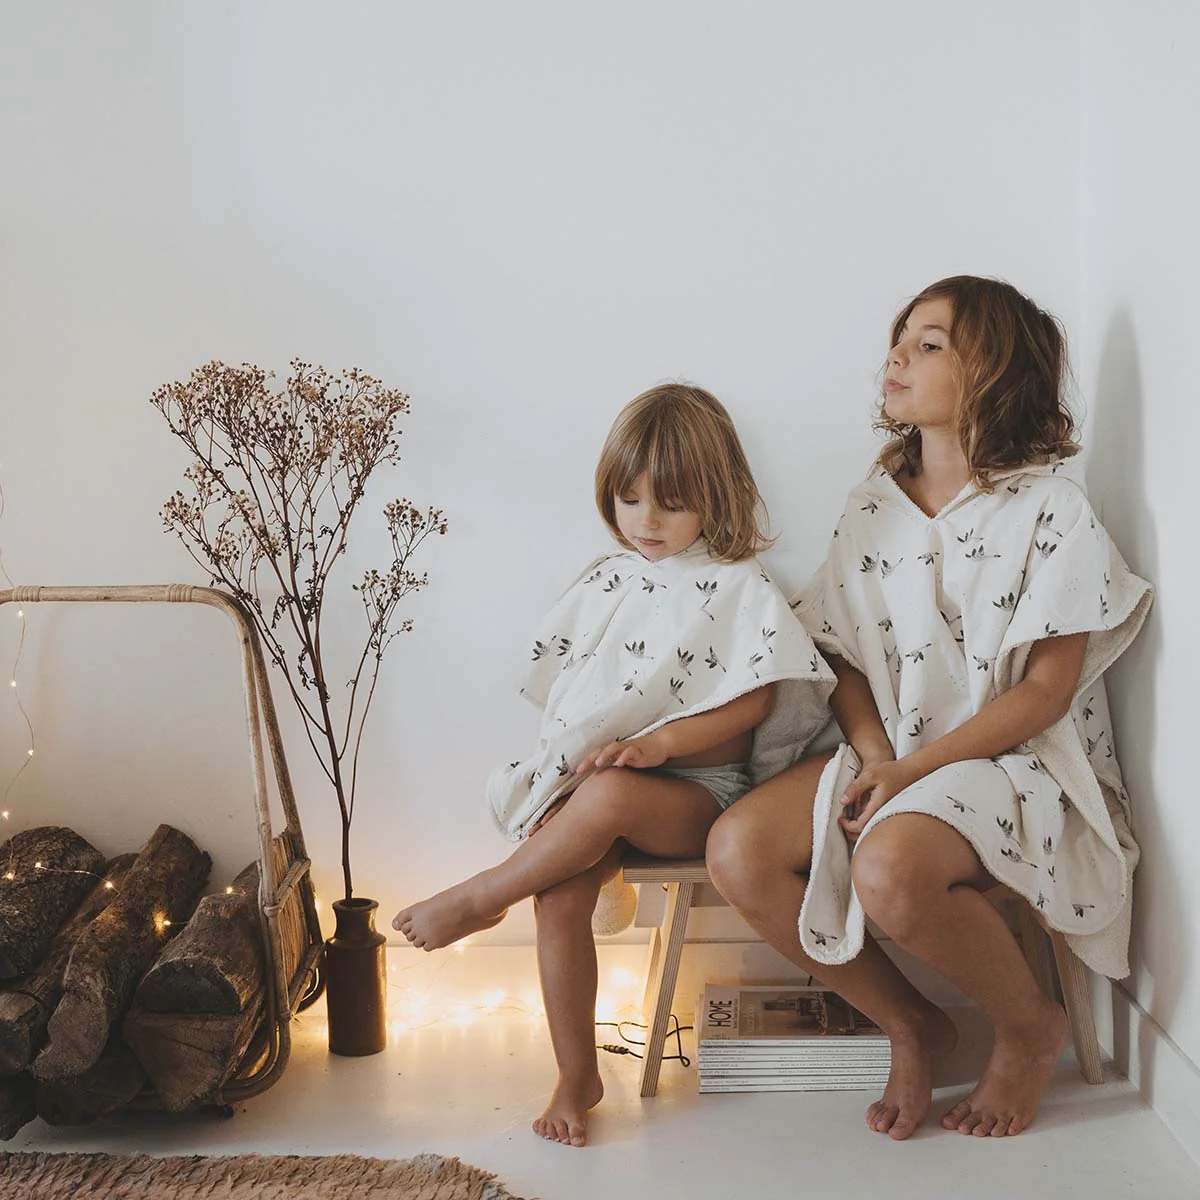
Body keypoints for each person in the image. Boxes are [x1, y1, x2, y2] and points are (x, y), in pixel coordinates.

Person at [706, 276, 1152, 1141]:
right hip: (893, 751)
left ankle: (1028, 1026)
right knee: (738, 849)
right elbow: (837, 648)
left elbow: (1046, 692)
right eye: (900, 338)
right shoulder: (873, 503)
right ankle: (911, 1024)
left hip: (1010, 762)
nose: (897, 357)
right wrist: (878, 755)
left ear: (994, 369)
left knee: (888, 869)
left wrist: (913, 769)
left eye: (929, 344)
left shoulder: (1051, 509)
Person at [393, 383, 834, 1147]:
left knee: (606, 802)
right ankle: (577, 1075)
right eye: (630, 500)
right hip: (610, 784)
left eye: (670, 502)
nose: (646, 521)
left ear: (715, 494)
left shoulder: (738, 585)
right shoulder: (612, 579)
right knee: (559, 894)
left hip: (700, 794)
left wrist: (662, 745)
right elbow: (581, 688)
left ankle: (484, 893)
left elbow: (753, 703)